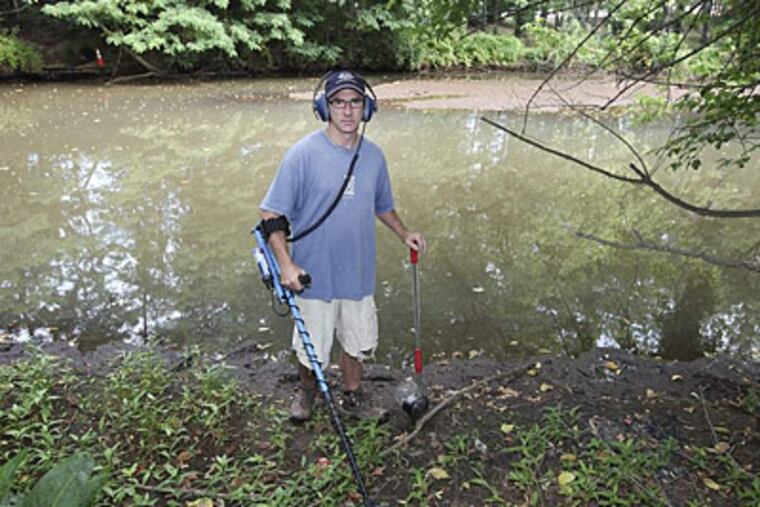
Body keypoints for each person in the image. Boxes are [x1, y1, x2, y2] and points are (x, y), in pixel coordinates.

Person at [259, 69, 426, 422]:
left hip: (358, 272)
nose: (348, 111)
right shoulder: (301, 155)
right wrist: (287, 265)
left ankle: (353, 396)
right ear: (324, 107)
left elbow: (382, 205)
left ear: (367, 109)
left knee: (357, 342)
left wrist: (404, 232)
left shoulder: (375, 157)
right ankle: (307, 392)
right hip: (313, 275)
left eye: (355, 102)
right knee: (311, 348)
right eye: (338, 102)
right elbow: (271, 213)